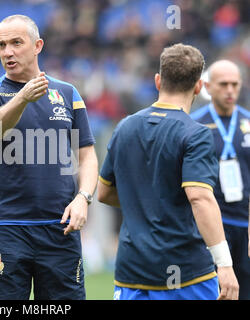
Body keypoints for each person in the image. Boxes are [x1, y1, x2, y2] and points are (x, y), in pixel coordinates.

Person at [0, 14, 98, 300]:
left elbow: (87, 155)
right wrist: (22, 98)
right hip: (6, 230)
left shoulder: (67, 93)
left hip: (59, 230)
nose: (8, 52)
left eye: (16, 43)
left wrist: (83, 198)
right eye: (1, 45)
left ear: (38, 45)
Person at [97, 43, 239, 300]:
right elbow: (200, 198)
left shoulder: (124, 127)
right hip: (187, 273)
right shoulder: (196, 134)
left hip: (132, 272)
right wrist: (225, 264)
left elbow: (104, 193)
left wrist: (145, 203)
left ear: (158, 80)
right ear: (198, 86)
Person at [190, 60, 250, 300]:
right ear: (208, 86)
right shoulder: (194, 125)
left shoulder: (248, 122)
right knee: (215, 293)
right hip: (213, 224)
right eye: (223, 84)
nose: (230, 90)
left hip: (246, 226)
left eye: (234, 84)